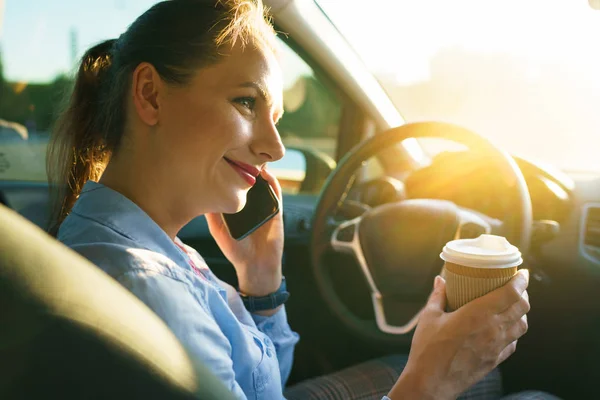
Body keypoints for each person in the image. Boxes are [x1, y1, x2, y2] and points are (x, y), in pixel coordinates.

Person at [47, 1, 557, 399]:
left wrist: (261, 283)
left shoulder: (144, 242)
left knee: (481, 381)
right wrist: (425, 387)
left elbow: (260, 386)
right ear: (151, 95)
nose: (275, 147)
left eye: (276, 118)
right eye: (246, 101)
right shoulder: (147, 284)